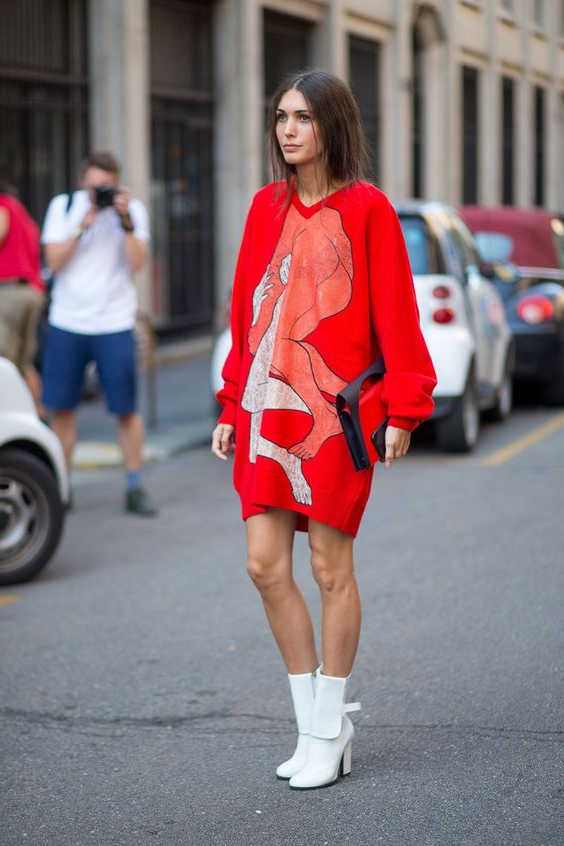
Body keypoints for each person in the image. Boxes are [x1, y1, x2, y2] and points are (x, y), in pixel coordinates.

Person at [211, 70, 436, 790]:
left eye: (303, 118)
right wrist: (228, 405)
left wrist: (403, 407)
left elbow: (397, 313)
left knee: (330, 568)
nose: (288, 130)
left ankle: (327, 724)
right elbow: (246, 310)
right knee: (263, 564)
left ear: (332, 125)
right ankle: (318, 727)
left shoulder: (368, 209)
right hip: (261, 406)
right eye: (281, 117)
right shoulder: (262, 208)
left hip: (338, 418)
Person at [41, 151, 157, 516]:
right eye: (94, 188)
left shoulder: (132, 211)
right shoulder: (63, 207)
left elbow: (138, 263)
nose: (99, 194)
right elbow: (53, 262)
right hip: (68, 322)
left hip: (113, 322)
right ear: (82, 183)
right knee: (61, 410)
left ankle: (135, 486)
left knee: (126, 409)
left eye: (105, 188)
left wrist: (122, 219)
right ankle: (61, 488)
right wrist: (83, 224)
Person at [0, 179, 45, 413]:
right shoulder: (22, 211)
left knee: (4, 361)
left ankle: (14, 416)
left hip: (10, 292)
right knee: (24, 362)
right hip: (30, 289)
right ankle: (36, 414)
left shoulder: (3, 206)